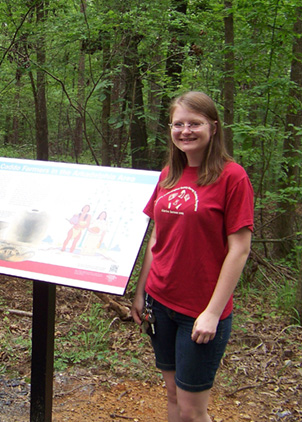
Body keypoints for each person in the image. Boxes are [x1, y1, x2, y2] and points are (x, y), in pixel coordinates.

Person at [131, 91, 253, 422]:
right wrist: (141, 293)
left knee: (193, 410)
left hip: (199, 311)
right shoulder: (169, 173)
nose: (186, 130)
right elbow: (158, 236)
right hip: (161, 302)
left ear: (213, 127)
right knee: (172, 397)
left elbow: (239, 248)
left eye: (194, 123)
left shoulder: (232, 177)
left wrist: (212, 312)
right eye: (178, 124)